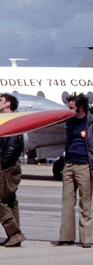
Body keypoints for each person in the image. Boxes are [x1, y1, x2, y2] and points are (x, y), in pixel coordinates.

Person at [56, 93, 93, 248]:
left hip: (84, 165)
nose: (69, 110)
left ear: (81, 108)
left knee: (85, 203)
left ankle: (86, 239)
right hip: (70, 164)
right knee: (67, 202)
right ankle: (66, 237)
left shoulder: (90, 121)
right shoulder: (69, 121)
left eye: (71, 107)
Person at [0, 93, 25, 247]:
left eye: (1, 101)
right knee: (10, 200)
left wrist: (4, 162)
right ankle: (13, 235)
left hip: (8, 164)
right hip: (8, 162)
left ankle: (15, 233)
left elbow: (11, 145)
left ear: (8, 104)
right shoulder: (7, 120)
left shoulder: (12, 121)